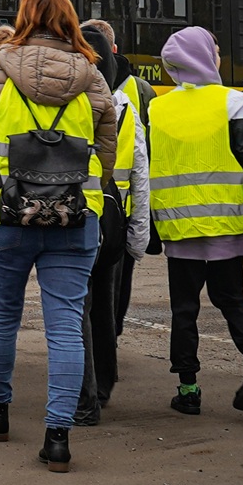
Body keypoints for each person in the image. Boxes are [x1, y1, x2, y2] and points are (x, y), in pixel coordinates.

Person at [0, 0, 116, 474]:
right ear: (69, 21)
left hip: (4, 217)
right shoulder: (93, 79)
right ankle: (58, 437)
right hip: (75, 217)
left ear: (22, 19)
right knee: (65, 324)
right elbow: (107, 156)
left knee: (1, 314)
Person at [148, 26, 243, 416]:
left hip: (179, 226)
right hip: (228, 224)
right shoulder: (234, 102)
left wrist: (147, 228)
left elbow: (148, 168)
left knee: (184, 309)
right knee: (232, 299)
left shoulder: (158, 108)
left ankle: (188, 389)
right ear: (205, 57)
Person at [71, 25, 152, 425]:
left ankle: (83, 390)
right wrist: (139, 235)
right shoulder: (123, 107)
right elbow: (141, 175)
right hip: (114, 219)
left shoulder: (70, 101)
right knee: (105, 305)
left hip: (75, 213)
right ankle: (104, 381)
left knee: (77, 307)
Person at [82, 18, 159, 333]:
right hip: (119, 210)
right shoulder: (137, 91)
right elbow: (144, 160)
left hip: (81, 208)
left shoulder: (65, 92)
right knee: (113, 287)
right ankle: (110, 336)